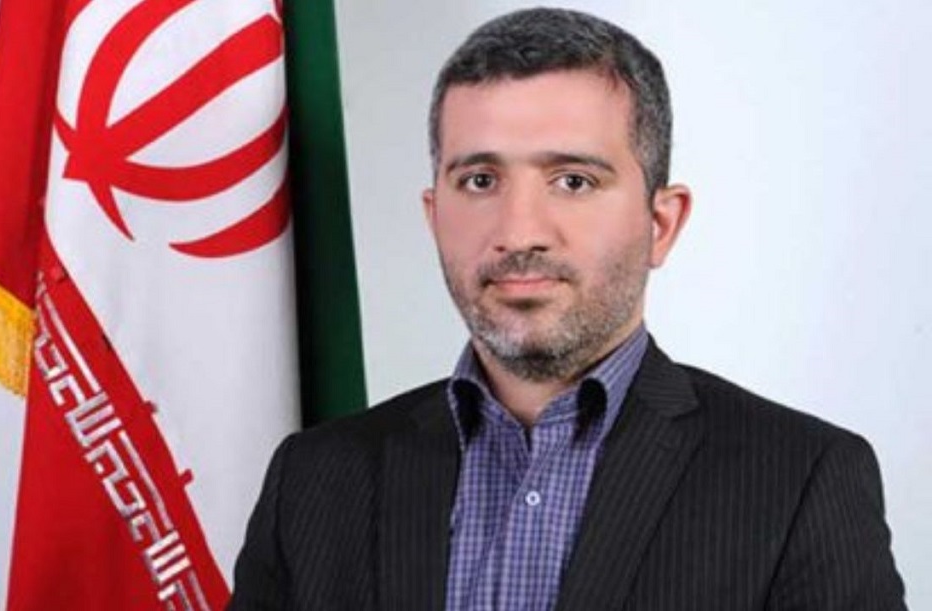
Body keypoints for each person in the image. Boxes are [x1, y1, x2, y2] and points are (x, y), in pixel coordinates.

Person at [229, 7, 905, 610]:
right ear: (435, 215)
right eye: (480, 180)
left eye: (573, 181)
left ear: (662, 224)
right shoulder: (314, 479)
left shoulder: (798, 480)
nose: (519, 230)